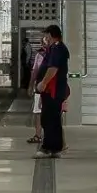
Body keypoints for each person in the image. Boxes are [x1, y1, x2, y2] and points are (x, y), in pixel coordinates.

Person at [35, 24, 69, 157]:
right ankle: (54, 148)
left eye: (46, 35)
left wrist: (43, 83)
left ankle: (49, 147)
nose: (45, 38)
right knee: (50, 119)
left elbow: (53, 68)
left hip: (53, 91)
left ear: (51, 35)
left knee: (50, 119)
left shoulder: (57, 48)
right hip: (51, 91)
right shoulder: (55, 48)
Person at [26, 34, 48, 144]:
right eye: (43, 43)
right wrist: (31, 86)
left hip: (48, 88)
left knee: (43, 112)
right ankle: (39, 135)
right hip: (41, 88)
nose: (44, 45)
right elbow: (34, 71)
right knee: (38, 112)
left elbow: (34, 71)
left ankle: (43, 136)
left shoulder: (53, 54)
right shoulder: (40, 54)